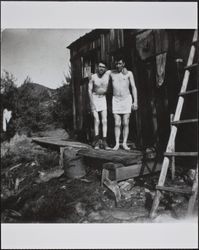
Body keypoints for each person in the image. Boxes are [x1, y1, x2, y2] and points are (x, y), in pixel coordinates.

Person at [110, 57, 138, 150]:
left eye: (120, 64)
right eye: (117, 64)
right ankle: (117, 143)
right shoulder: (111, 73)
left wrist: (135, 101)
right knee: (117, 123)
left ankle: (125, 143)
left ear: (124, 64)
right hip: (116, 100)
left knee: (125, 122)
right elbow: (101, 71)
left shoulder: (129, 73)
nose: (118, 66)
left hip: (126, 99)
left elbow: (133, 87)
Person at [88, 61, 110, 149]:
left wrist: (124, 69)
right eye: (100, 66)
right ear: (97, 67)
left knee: (104, 121)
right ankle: (96, 141)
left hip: (103, 98)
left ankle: (104, 142)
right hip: (95, 98)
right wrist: (91, 103)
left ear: (105, 68)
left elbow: (116, 70)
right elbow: (89, 90)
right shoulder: (93, 77)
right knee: (97, 120)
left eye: (103, 67)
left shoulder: (108, 75)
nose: (101, 68)